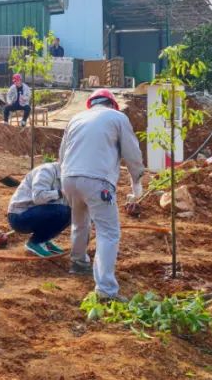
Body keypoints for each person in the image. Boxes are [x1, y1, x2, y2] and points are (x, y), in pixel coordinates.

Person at [59, 88, 144, 301]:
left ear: (91, 104)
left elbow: (62, 154)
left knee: (80, 223)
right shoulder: (117, 118)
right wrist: (136, 182)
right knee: (108, 232)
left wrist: (64, 180)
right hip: (97, 181)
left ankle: (78, 262)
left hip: (69, 178)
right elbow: (132, 154)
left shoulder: (76, 119)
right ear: (112, 104)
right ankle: (105, 289)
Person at [7, 160, 71, 257]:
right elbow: (38, 198)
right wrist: (60, 193)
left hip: (37, 213)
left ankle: (43, 239)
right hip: (19, 216)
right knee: (63, 211)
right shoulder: (46, 171)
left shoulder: (67, 178)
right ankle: (35, 242)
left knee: (71, 213)